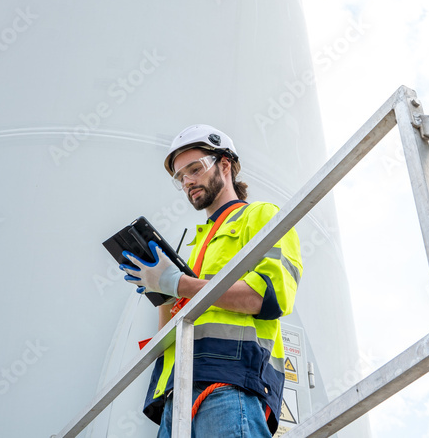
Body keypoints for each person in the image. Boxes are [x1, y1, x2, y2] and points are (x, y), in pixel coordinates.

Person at [120, 125, 302, 437]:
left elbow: (266, 297)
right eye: (181, 177)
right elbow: (171, 331)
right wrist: (162, 293)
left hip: (229, 382)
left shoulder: (260, 215)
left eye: (194, 169)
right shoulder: (193, 247)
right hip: (175, 394)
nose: (188, 181)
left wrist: (177, 284)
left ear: (224, 165)